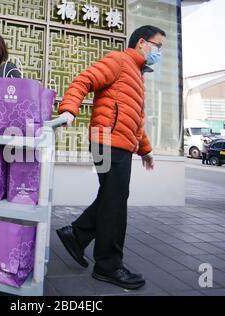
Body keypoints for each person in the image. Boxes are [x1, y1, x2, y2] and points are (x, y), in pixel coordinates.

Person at [56, 25, 166, 290]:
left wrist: (146, 149)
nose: (159, 53)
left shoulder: (137, 75)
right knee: (115, 203)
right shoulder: (119, 61)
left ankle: (77, 235)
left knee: (112, 198)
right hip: (107, 140)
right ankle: (108, 266)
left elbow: (135, 122)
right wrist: (69, 110)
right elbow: (85, 79)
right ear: (142, 43)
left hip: (120, 143)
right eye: (158, 46)